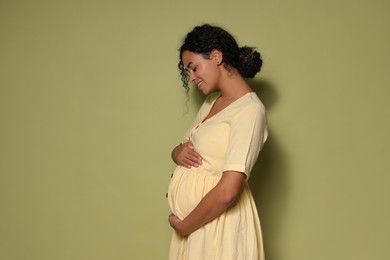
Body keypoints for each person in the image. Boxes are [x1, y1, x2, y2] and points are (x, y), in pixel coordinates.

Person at [167, 24, 268, 260]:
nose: (191, 78)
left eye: (193, 68)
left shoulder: (250, 111)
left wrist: (185, 226)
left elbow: (227, 192)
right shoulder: (212, 102)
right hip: (198, 229)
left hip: (219, 229)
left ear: (216, 56)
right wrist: (176, 153)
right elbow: (185, 148)